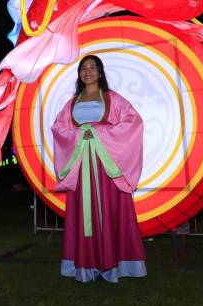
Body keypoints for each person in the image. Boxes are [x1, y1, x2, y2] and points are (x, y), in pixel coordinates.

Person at [51, 55, 146, 283]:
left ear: (100, 73)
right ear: (79, 74)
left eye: (92, 67)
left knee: (111, 209)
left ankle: (116, 264)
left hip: (106, 164)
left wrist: (99, 132)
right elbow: (58, 128)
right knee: (84, 213)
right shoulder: (72, 103)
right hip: (81, 164)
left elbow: (134, 121)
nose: (88, 71)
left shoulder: (112, 99)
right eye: (84, 68)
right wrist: (79, 134)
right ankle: (86, 265)